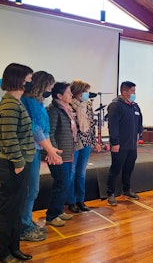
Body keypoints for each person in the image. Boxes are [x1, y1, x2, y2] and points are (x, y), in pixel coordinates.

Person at [0, 63, 36, 263]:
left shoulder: (15, 102)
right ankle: (0, 255)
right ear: (19, 79)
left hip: (18, 163)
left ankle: (13, 248)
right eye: (28, 79)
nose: (30, 82)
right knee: (8, 211)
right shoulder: (10, 104)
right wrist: (19, 162)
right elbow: (8, 138)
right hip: (12, 165)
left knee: (16, 210)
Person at [19, 71, 62, 243]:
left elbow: (43, 130)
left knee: (32, 190)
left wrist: (49, 149)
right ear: (41, 85)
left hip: (36, 150)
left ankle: (26, 221)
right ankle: (23, 226)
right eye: (50, 87)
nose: (50, 90)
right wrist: (50, 150)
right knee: (30, 190)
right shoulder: (28, 102)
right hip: (29, 151)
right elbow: (35, 129)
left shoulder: (37, 102)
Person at [105, 81, 143, 206]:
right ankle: (110, 193)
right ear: (124, 92)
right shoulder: (116, 105)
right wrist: (115, 142)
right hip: (120, 145)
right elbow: (113, 126)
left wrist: (139, 134)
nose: (134, 94)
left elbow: (139, 122)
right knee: (116, 169)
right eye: (132, 91)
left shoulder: (134, 106)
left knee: (129, 168)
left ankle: (126, 189)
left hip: (132, 145)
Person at [45, 82, 77, 228]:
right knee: (61, 183)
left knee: (65, 183)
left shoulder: (67, 109)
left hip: (67, 152)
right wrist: (53, 151)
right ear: (59, 95)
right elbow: (50, 133)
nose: (71, 95)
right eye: (69, 92)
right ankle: (51, 216)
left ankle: (58, 211)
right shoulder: (54, 110)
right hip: (58, 154)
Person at [68, 80, 98, 214]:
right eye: (84, 91)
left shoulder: (88, 104)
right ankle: (71, 201)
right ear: (77, 91)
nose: (86, 94)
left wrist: (95, 141)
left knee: (81, 173)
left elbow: (92, 124)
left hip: (86, 142)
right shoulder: (68, 104)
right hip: (73, 143)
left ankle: (81, 200)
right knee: (72, 173)